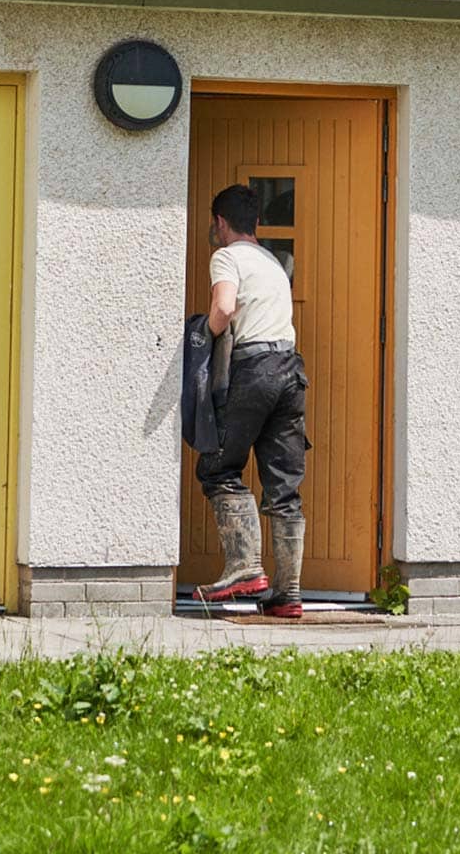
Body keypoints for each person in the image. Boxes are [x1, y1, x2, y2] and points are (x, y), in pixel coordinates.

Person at [192, 184, 308, 618]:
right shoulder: (272, 262)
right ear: (256, 223)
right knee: (284, 488)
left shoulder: (227, 256)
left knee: (218, 467)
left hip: (254, 370)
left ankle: (244, 567)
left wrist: (206, 333)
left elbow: (223, 309)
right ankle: (287, 595)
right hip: (291, 372)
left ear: (220, 223)